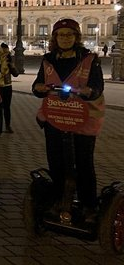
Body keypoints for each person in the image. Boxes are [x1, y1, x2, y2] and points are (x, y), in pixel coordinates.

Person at [32, 18, 104, 218]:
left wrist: (89, 91)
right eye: (61, 35)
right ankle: (58, 199)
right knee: (56, 161)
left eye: (69, 34)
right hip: (55, 116)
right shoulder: (48, 59)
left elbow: (98, 87)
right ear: (55, 38)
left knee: (83, 162)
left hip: (82, 119)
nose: (65, 38)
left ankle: (88, 204)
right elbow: (37, 85)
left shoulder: (90, 59)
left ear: (76, 37)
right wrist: (38, 88)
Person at [0, 43, 18, 133]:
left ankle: (7, 125)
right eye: (4, 52)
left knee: (7, 107)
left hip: (7, 86)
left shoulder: (9, 62)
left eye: (7, 52)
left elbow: (16, 74)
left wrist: (12, 66)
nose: (6, 54)